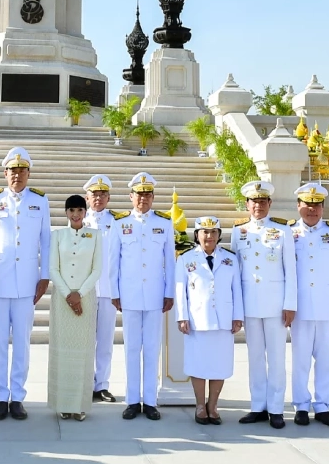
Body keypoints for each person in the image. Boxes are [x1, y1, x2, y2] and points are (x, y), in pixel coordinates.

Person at [0, 147, 51, 420]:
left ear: (29, 173)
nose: (17, 175)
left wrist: (45, 276)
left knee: (21, 340)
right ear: (4, 173)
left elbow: (46, 239)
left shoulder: (40, 201)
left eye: (22, 170)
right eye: (12, 170)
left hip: (27, 283)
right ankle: (0, 396)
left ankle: (17, 396)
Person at [108, 172, 175, 421]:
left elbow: (170, 260)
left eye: (147, 195)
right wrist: (114, 292)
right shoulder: (120, 223)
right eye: (139, 194)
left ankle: (151, 401)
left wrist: (169, 293)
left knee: (152, 348)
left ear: (153, 197)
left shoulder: (165, 223)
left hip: (156, 294)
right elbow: (113, 262)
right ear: (131, 196)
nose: (143, 199)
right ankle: (132, 400)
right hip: (130, 294)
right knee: (132, 348)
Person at [231, 179, 296, 429]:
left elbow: (291, 270)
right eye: (253, 201)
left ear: (269, 203)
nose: (258, 205)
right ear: (247, 204)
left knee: (277, 358)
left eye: (262, 201)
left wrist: (290, 304)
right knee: (255, 357)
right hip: (249, 304)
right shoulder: (239, 231)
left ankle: (277, 408)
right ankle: (258, 405)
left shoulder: (282, 230)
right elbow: (235, 271)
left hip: (275, 304)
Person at [289, 182, 329, 428]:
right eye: (307, 204)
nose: (312, 210)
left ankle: (323, 405)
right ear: (299, 206)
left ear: (323, 207)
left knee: (326, 359)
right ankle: (301, 405)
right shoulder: (288, 233)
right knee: (300, 359)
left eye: (316, 205)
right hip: (300, 308)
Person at [175, 215, 242, 425]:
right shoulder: (186, 258)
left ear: (219, 235)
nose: (209, 236)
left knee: (219, 365)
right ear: (197, 235)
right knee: (199, 364)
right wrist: (182, 316)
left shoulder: (230, 259)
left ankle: (213, 405)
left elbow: (237, 290)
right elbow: (180, 291)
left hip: (223, 320)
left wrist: (237, 316)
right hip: (198, 319)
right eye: (205, 232)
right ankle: (200, 406)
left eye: (214, 232)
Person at [48, 194, 103, 420]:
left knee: (83, 352)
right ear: (66, 213)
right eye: (71, 210)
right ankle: (63, 402)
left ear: (85, 212)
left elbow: (97, 269)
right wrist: (68, 294)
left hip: (86, 297)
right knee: (62, 351)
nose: (76, 214)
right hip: (62, 298)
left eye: (80, 210)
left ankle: (80, 404)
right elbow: (53, 268)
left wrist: (79, 294)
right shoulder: (58, 235)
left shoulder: (95, 236)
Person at [81, 174, 120, 403]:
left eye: (103, 194)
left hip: (106, 289)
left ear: (108, 197)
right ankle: (84, 383)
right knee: (84, 340)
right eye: (94, 194)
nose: (98, 198)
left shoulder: (117, 221)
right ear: (87, 197)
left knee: (105, 341)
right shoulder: (78, 220)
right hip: (85, 290)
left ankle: (102, 385)